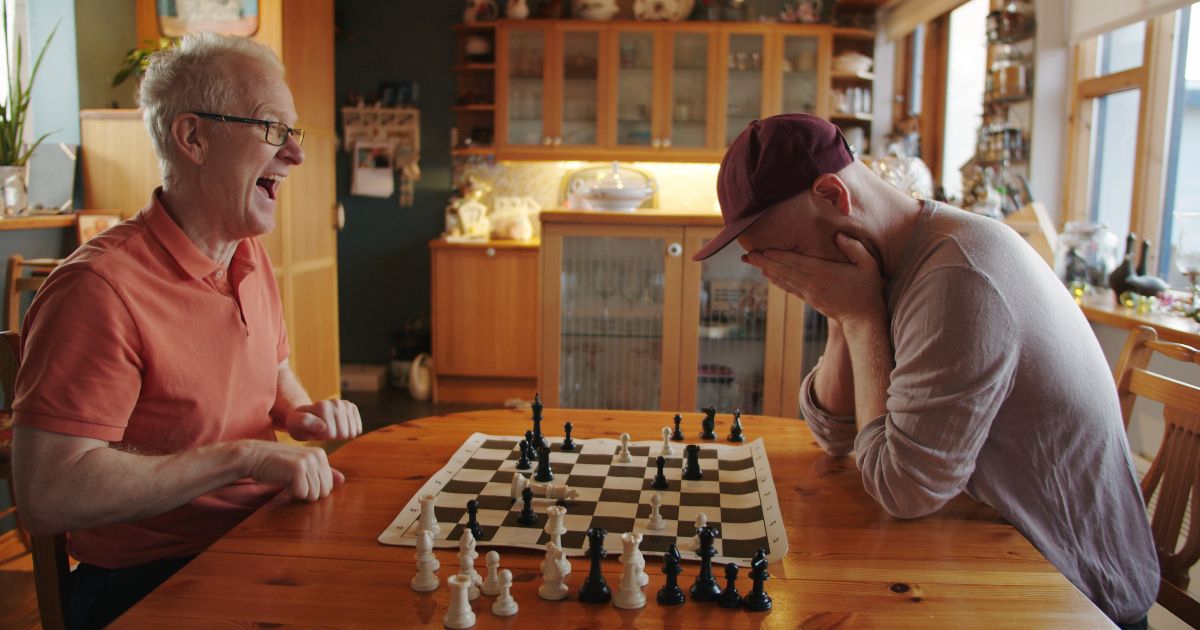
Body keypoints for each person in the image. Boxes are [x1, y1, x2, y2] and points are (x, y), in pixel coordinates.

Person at [692, 113, 1159, 628]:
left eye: (791, 255)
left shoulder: (959, 278)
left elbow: (903, 489)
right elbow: (834, 433)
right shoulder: (891, 259)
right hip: (993, 553)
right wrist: (840, 314)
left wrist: (859, 316)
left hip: (1077, 596)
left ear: (831, 195)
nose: (791, 275)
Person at [11, 33, 362, 628]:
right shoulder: (98, 288)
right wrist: (241, 458)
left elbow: (274, 371)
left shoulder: (248, 255)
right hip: (150, 580)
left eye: (293, 132)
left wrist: (300, 412)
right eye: (272, 128)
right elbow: (48, 494)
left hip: (257, 534)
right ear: (193, 138)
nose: (295, 154)